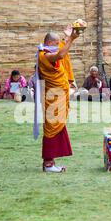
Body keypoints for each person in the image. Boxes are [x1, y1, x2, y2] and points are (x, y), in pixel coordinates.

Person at [35, 30, 79, 173]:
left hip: (57, 95)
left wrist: (67, 37)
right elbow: (60, 54)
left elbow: (61, 51)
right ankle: (48, 164)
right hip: (53, 97)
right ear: (49, 43)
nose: (59, 45)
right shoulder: (45, 55)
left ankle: (51, 162)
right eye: (56, 43)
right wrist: (71, 39)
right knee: (51, 129)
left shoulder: (49, 51)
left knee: (56, 127)